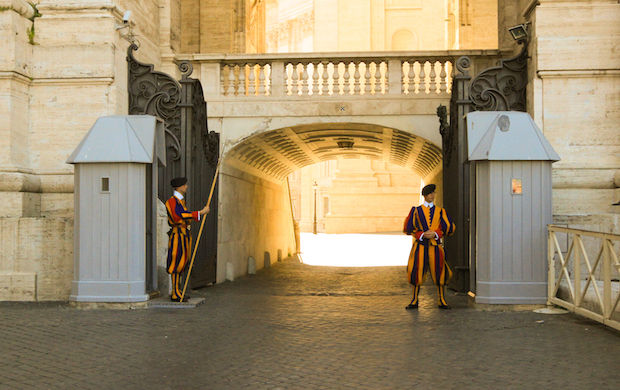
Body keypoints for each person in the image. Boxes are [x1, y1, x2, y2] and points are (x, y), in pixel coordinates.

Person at [403, 184, 455, 309]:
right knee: (417, 270)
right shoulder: (416, 211)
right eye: (430, 193)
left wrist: (436, 233)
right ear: (425, 195)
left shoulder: (441, 211)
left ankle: (442, 300)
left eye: (433, 193)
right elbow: (408, 228)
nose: (432, 195)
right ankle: (414, 300)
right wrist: (421, 235)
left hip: (435, 247)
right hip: (420, 247)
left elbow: (448, 227)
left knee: (439, 270)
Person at [165, 177, 210, 302]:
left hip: (183, 235)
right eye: (184, 185)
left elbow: (186, 217)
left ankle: (178, 291)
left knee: (182, 263)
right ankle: (175, 293)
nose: (186, 187)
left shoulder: (181, 202)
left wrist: (196, 215)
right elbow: (178, 216)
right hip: (177, 235)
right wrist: (199, 212)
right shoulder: (172, 202)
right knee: (176, 262)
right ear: (179, 187)